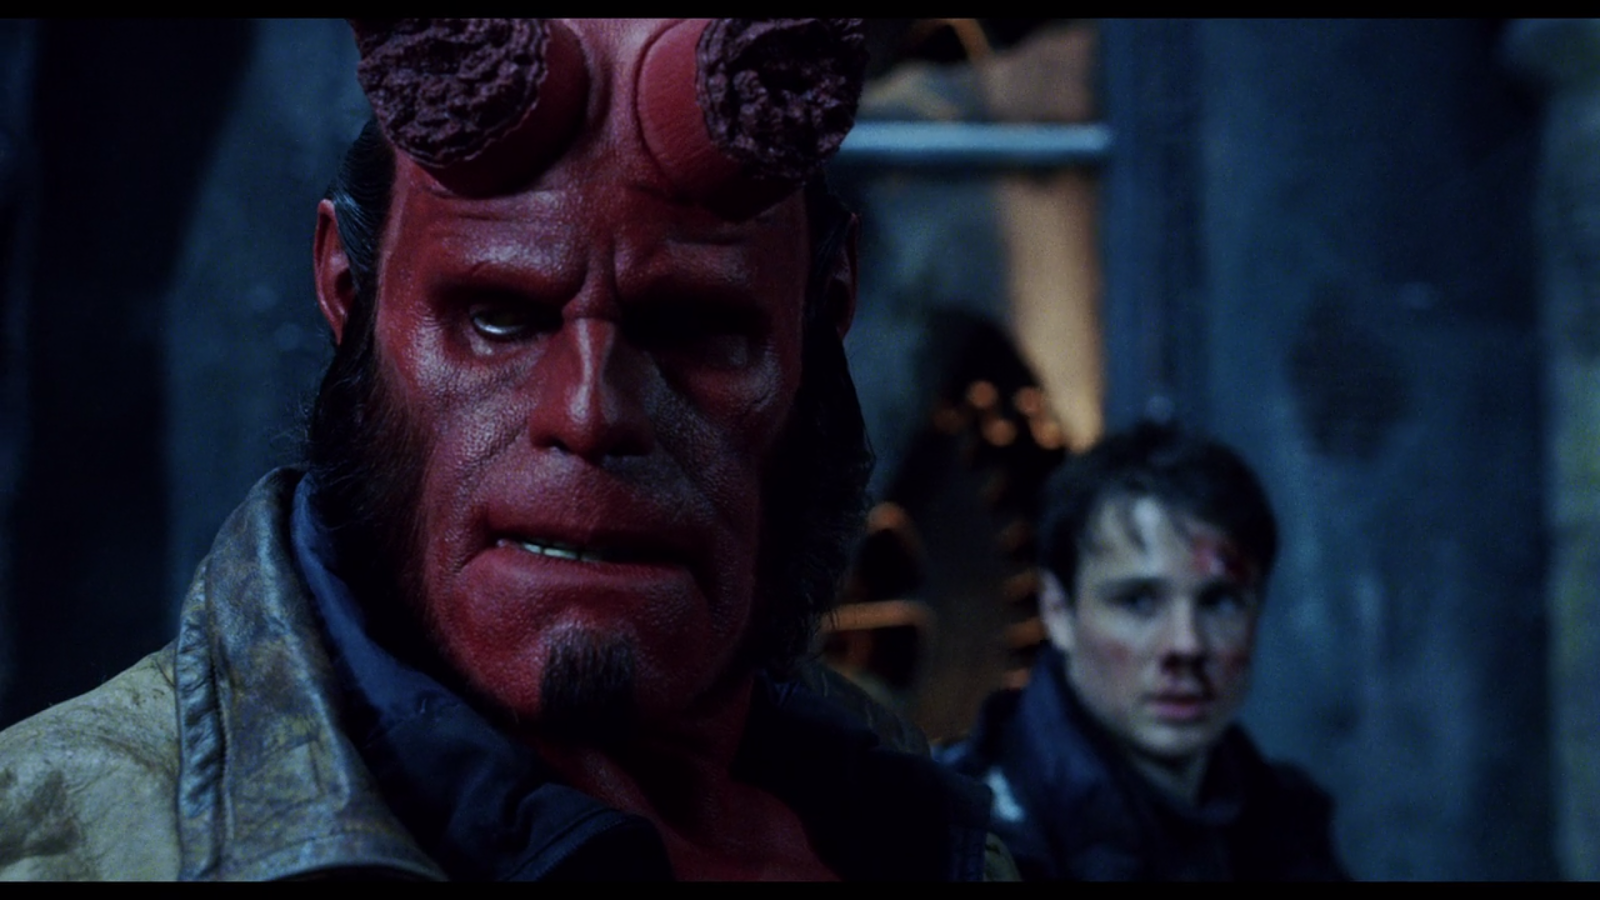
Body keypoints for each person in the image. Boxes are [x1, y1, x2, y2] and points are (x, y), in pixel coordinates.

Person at [0, 19, 1013, 881]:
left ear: (824, 316)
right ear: (348, 296)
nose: (588, 414)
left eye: (696, 328)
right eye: (497, 316)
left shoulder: (919, 832)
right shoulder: (58, 843)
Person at [937, 419, 1349, 880]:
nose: (1186, 645)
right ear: (1057, 610)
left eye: (1220, 601)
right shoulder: (963, 839)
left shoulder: (1286, 823)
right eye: (1137, 601)